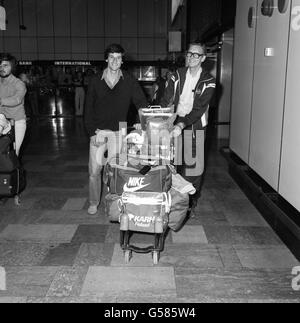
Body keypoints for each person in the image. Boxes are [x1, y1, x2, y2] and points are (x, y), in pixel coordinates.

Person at [84, 44, 148, 215]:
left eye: (118, 57)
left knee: (116, 171)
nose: (115, 61)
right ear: (106, 59)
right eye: (111, 57)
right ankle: (93, 202)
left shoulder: (129, 80)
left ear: (122, 60)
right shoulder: (95, 80)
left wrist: (140, 121)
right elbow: (88, 108)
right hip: (99, 132)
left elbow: (141, 103)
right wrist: (91, 132)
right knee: (94, 171)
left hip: (119, 132)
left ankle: (114, 201)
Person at [160, 43, 216, 212]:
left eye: (196, 55)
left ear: (203, 58)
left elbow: (199, 108)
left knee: (194, 166)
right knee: (173, 162)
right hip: (175, 123)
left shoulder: (209, 81)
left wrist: (182, 124)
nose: (191, 57)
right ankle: (173, 199)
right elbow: (166, 99)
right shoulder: (177, 75)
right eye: (189, 53)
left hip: (196, 126)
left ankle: (190, 202)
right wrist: (162, 118)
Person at [0, 53, 27, 156]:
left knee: (14, 154)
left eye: (5, 65)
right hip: (2, 118)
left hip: (17, 121)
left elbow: (17, 99)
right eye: (0, 65)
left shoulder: (19, 83)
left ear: (12, 67)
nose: (1, 68)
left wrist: (1, 101)